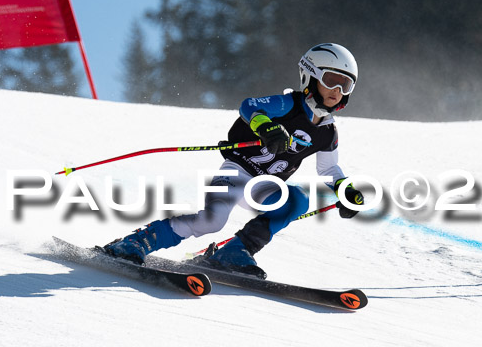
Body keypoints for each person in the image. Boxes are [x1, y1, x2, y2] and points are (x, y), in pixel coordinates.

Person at [104, 43, 365, 278]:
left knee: (296, 200)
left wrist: (346, 190)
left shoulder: (327, 131)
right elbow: (249, 106)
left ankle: (235, 252)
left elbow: (329, 168)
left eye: (346, 85)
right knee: (211, 221)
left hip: (263, 187)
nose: (337, 91)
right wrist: (265, 127)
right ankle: (136, 242)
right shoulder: (289, 104)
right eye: (331, 80)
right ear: (311, 75)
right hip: (237, 171)